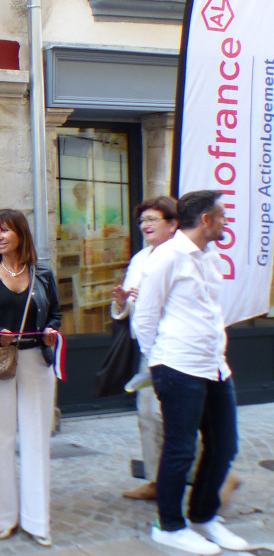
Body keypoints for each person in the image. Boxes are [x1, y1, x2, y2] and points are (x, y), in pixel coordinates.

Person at [133, 190, 249, 556]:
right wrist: (159, 361)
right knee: (180, 449)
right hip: (178, 367)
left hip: (214, 366)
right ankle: (168, 525)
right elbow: (145, 317)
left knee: (224, 445)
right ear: (206, 220)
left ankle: (204, 516)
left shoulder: (208, 256)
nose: (227, 221)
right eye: (222, 215)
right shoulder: (168, 257)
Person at [0, 209, 60, 547]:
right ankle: (0, 518)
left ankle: (38, 521)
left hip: (36, 359)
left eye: (5, 230)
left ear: (21, 234)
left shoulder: (44, 274)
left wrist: (52, 330)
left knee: (37, 438)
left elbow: (55, 313)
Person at [110, 196, 177, 502]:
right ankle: (154, 479)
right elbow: (125, 307)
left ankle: (214, 475)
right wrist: (122, 301)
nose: (145, 225)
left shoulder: (180, 256)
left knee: (178, 416)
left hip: (175, 349)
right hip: (147, 350)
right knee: (147, 414)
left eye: (152, 219)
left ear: (173, 224)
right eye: (142, 220)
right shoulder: (140, 258)